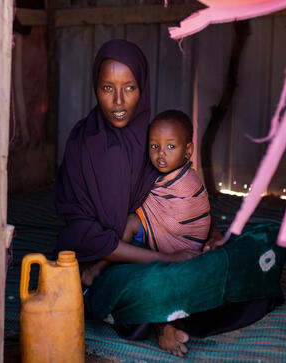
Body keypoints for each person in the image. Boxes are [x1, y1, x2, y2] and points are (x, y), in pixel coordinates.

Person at [54, 39, 218, 356]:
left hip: (150, 244)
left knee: (210, 265)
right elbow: (79, 230)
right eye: (107, 88)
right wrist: (167, 259)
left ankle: (161, 315)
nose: (118, 100)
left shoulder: (153, 140)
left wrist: (211, 233)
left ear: (142, 87)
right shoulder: (81, 143)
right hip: (97, 261)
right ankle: (161, 322)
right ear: (94, 87)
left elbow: (175, 201)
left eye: (129, 88)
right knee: (139, 284)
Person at [81, 109, 213, 286]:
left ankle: (97, 268)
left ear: (188, 150)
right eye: (154, 146)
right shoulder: (163, 174)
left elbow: (199, 212)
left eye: (171, 146)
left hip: (183, 244)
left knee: (127, 222)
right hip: (170, 237)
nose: (161, 154)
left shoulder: (187, 182)